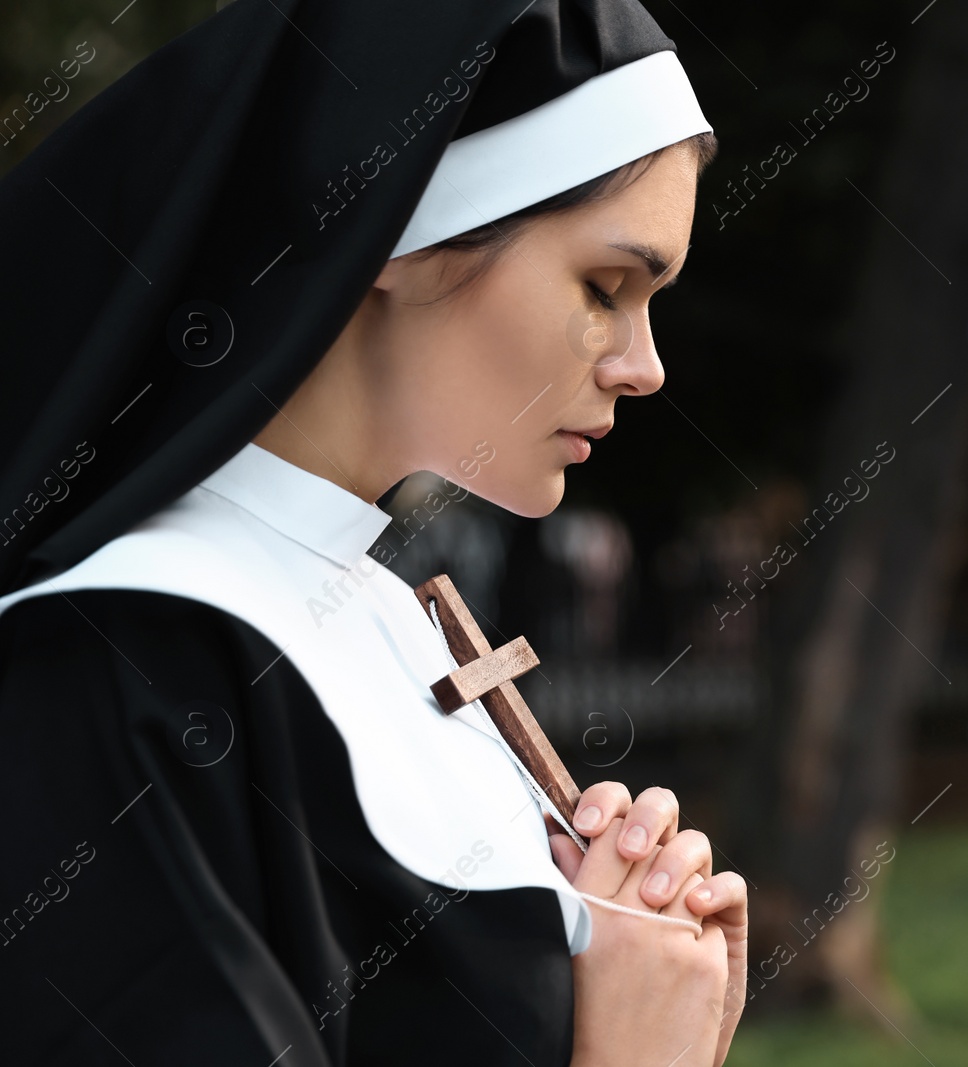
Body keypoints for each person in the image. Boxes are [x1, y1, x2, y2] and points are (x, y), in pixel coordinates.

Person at [0, 1, 746, 1063]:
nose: (643, 365)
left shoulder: (394, 617)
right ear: (403, 233)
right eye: (605, 287)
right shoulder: (130, 658)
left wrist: (657, 980)